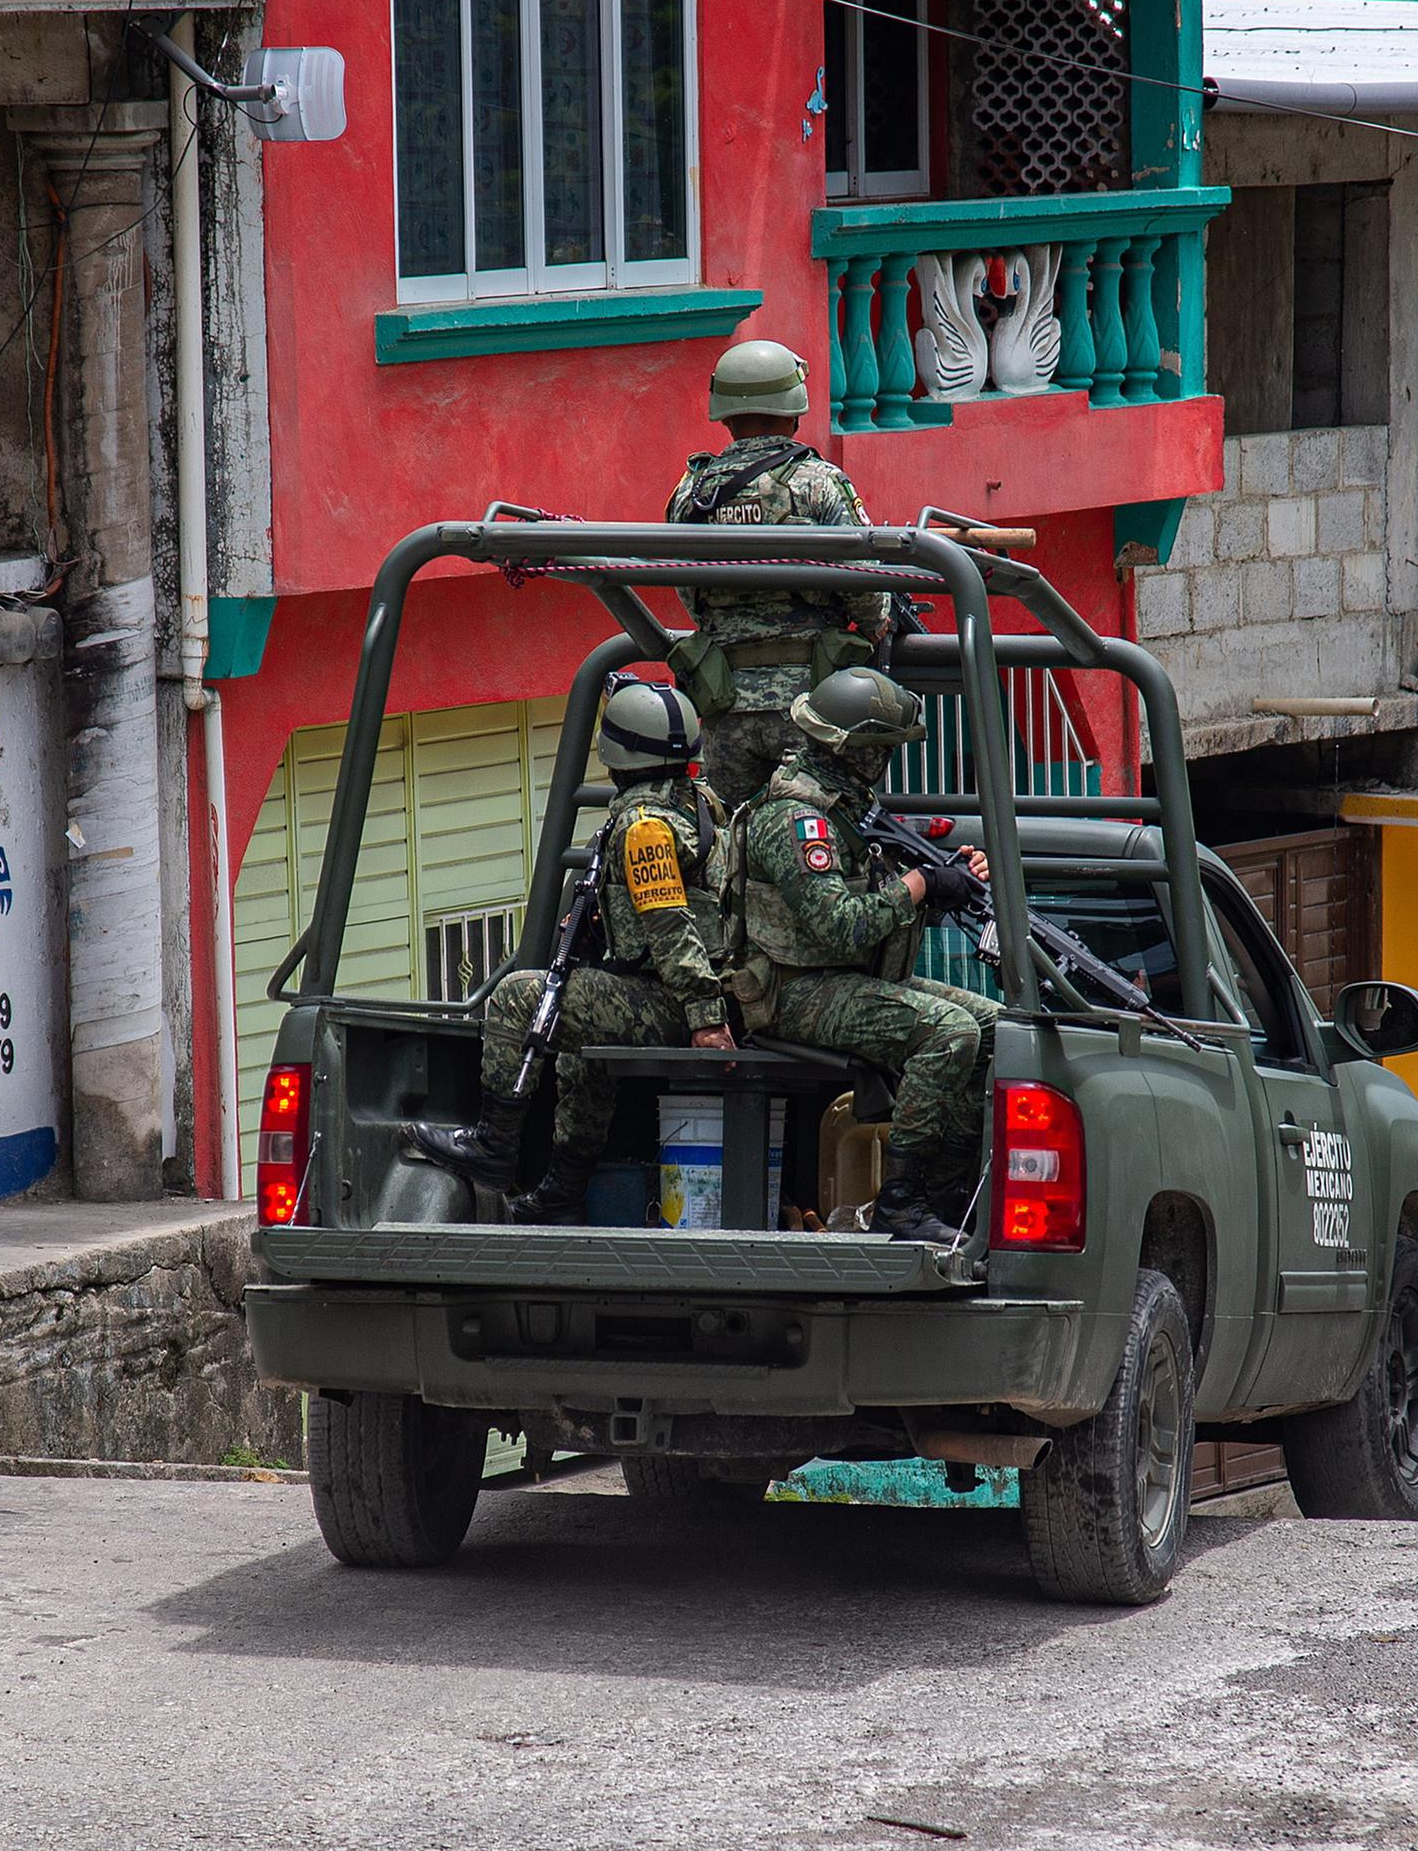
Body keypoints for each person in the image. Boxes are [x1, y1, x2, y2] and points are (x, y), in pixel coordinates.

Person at [408, 680, 733, 1223]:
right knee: (580, 1044)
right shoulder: (698, 804)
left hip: (675, 1003)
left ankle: (494, 1145)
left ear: (615, 753)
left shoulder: (643, 826)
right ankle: (563, 1191)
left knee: (517, 996)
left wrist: (706, 1019)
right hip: (679, 993)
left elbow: (671, 926)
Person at [717, 667, 997, 1246]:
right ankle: (901, 1204)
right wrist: (921, 884)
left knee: (992, 1027)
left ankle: (943, 1192)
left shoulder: (847, 803)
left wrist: (947, 877)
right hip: (791, 992)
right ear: (860, 751)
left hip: (841, 980)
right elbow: (841, 925)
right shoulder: (796, 818)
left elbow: (877, 895)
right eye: (883, 750)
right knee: (950, 1034)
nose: (886, 762)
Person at [663, 339, 898, 804]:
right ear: (795, 410)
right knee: (821, 830)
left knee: (736, 837)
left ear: (725, 415)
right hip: (813, 703)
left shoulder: (693, 492)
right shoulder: (820, 482)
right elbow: (867, 588)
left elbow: (688, 590)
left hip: (724, 700)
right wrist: (876, 626)